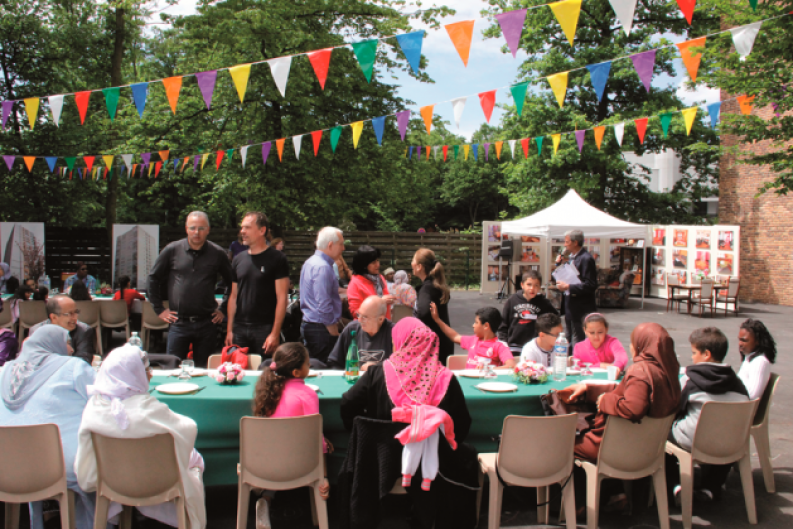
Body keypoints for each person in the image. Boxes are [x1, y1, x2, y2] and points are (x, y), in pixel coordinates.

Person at [339, 317, 477, 528]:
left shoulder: (377, 373)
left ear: (401, 342)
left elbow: (348, 403)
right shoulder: (446, 379)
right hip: (431, 467)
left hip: (380, 461)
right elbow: (461, 425)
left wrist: (363, 434)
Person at [75, 344, 206, 529]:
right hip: (158, 483)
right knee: (193, 460)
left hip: (112, 482)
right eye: (146, 370)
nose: (151, 374)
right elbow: (188, 429)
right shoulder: (149, 410)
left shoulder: (94, 408)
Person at [0, 325, 97, 529]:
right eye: (67, 343)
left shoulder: (4, 370)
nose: (71, 349)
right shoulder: (74, 368)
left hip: (6, 467)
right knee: (100, 463)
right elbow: (101, 403)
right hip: (59, 467)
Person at [561, 322, 680, 461]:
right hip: (648, 447)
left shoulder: (640, 371)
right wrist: (590, 389)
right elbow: (632, 390)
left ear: (641, 345)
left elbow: (633, 408)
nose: (630, 346)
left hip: (614, 447)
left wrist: (605, 400)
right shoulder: (669, 370)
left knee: (562, 441)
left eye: (632, 342)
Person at [252, 342, 331, 529]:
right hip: (301, 466)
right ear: (296, 372)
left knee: (279, 449)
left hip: (265, 465)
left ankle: (266, 497)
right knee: (320, 443)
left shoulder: (266, 391)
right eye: (307, 364)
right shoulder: (308, 395)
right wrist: (324, 476)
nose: (310, 366)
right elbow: (316, 440)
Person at [666, 327, 749, 501]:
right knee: (724, 434)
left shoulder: (690, 379)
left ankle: (676, 486)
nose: (691, 357)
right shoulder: (738, 383)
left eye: (694, 352)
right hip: (730, 444)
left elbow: (675, 407)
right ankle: (710, 488)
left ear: (706, 354)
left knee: (663, 433)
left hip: (695, 441)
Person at [148, 211, 233, 366]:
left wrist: (224, 309)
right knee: (172, 368)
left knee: (204, 370)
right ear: (186, 228)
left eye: (201, 228)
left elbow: (232, 282)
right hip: (179, 322)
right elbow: (153, 278)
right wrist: (159, 309)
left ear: (208, 229)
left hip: (207, 323)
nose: (197, 232)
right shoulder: (172, 250)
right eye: (193, 228)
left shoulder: (218, 254)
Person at [226, 212, 289, 357]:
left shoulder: (277, 258)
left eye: (247, 227)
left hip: (265, 328)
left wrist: (274, 333)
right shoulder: (238, 259)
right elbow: (233, 296)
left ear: (262, 230)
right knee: (237, 373)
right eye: (242, 228)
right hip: (239, 329)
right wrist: (229, 330)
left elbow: (282, 298)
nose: (242, 231)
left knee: (265, 373)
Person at [300, 227, 345, 366]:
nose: (343, 248)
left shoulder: (311, 262)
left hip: (312, 325)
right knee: (324, 369)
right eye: (341, 244)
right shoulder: (323, 267)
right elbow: (323, 303)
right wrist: (333, 330)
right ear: (330, 245)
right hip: (321, 329)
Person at [430, 305, 515, 369]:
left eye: (476, 322)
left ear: (486, 326)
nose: (473, 325)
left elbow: (511, 365)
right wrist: (437, 320)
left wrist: (489, 369)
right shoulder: (473, 340)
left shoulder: (500, 346)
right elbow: (455, 336)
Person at [554, 230, 598, 349]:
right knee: (568, 337)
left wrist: (568, 287)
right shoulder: (573, 257)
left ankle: (577, 363)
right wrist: (560, 265)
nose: (565, 244)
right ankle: (568, 361)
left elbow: (591, 285)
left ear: (576, 242)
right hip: (571, 305)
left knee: (577, 338)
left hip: (580, 307)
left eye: (567, 242)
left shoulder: (586, 259)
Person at [497, 270, 558, 354]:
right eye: (529, 284)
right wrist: (503, 343)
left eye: (536, 285)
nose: (532, 288)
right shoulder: (512, 301)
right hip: (514, 345)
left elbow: (555, 319)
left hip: (535, 346)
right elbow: (503, 325)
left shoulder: (544, 303)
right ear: (522, 285)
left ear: (540, 287)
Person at [327, 296, 394, 369]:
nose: (359, 320)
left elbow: (401, 366)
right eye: (359, 315)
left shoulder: (394, 332)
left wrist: (377, 368)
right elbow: (335, 362)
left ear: (380, 319)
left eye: (365, 317)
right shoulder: (352, 329)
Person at [412, 248, 453, 364]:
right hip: (443, 342)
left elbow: (424, 313)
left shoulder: (426, 289)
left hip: (432, 348)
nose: (411, 264)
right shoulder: (436, 285)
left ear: (419, 266)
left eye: (413, 261)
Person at [29, 295, 95, 364]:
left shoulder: (83, 330)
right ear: (54, 317)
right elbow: (31, 361)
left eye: (76, 312)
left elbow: (83, 361)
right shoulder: (37, 331)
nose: (75, 317)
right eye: (69, 314)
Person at [346, 246, 395, 320]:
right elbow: (356, 313)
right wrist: (380, 303)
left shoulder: (380, 278)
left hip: (384, 325)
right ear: (364, 265)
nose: (378, 264)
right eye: (373, 262)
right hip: (367, 328)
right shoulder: (355, 283)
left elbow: (386, 299)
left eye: (378, 260)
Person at [737, 319, 776, 400]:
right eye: (739, 340)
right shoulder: (749, 358)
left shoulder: (760, 362)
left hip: (742, 409)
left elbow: (752, 395)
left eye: (744, 340)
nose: (740, 344)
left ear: (757, 341)